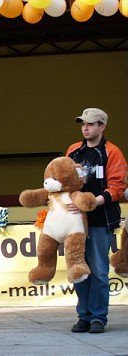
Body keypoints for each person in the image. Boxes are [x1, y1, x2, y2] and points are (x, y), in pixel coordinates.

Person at [67, 107, 127, 334]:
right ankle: (83, 316)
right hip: (75, 221)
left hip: (101, 220)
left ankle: (98, 317)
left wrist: (90, 202)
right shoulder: (73, 150)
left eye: (91, 124)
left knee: (100, 270)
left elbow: (117, 188)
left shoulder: (112, 152)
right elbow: (64, 181)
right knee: (79, 269)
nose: (85, 128)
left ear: (102, 126)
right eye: (83, 123)